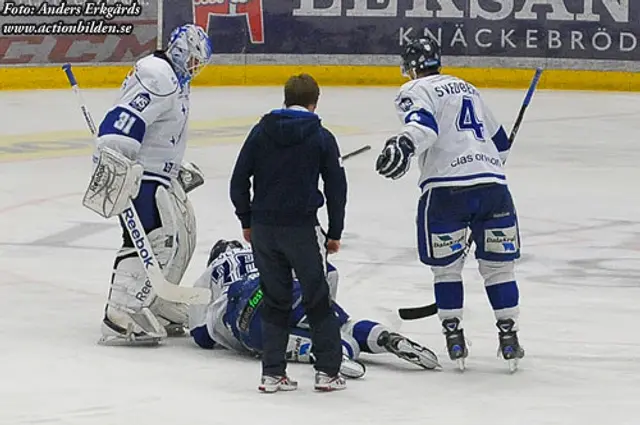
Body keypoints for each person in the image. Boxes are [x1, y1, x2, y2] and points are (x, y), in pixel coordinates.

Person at [375, 36, 524, 372]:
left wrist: (404, 143)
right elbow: (500, 146)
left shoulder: (416, 89)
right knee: (499, 268)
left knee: (446, 269)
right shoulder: (468, 88)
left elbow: (423, 127)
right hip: (492, 187)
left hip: (445, 192)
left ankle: (454, 337)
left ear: (411, 66)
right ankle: (509, 335)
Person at [87, 24, 213, 346]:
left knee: (180, 237)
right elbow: (125, 119)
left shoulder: (177, 80)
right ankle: (120, 313)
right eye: (195, 60)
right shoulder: (160, 75)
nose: (197, 69)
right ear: (181, 52)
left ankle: (157, 300)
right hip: (140, 176)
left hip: (159, 175)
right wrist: (115, 160)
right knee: (152, 240)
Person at [188, 240, 441, 392]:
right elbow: (329, 272)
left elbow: (201, 333)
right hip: (290, 288)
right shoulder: (265, 248)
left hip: (247, 312)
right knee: (343, 324)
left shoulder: (215, 269)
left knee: (302, 342)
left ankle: (334, 352)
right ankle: (384, 336)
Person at [229, 74, 348, 391]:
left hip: (265, 229)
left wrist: (247, 221)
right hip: (301, 229)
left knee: (275, 299)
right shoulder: (321, 136)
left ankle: (272, 373)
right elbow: (337, 189)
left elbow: (238, 180)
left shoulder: (260, 132)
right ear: (315, 102)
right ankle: (327, 372)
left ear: (284, 100)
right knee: (317, 299)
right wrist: (334, 231)